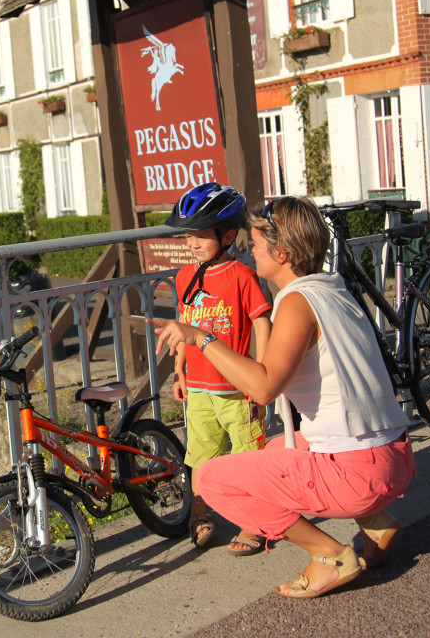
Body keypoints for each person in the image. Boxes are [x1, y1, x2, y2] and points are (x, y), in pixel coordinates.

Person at [153, 196, 414, 598]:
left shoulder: (295, 302)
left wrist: (200, 337)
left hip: (361, 472)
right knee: (275, 446)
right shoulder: (332, 288)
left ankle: (330, 555)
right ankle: (376, 522)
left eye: (256, 243)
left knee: (214, 479)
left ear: (282, 252)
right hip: (392, 455)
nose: (249, 249)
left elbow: (262, 386)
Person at [165, 182, 272, 556]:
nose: (192, 244)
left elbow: (261, 324)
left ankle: (253, 522)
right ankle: (201, 514)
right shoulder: (183, 278)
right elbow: (184, 326)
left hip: (237, 391)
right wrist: (179, 370)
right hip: (198, 389)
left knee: (247, 456)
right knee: (200, 457)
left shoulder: (242, 276)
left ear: (227, 236)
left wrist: (263, 372)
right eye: (188, 236)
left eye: (201, 236)